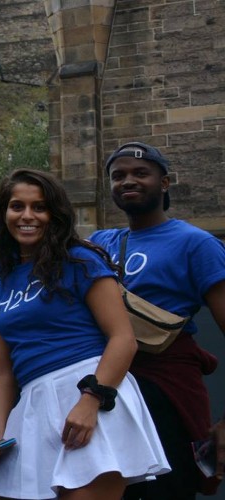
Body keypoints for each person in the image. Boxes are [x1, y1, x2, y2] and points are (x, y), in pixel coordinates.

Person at [0, 169, 169, 498]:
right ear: (3, 213)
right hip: (31, 406)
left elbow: (123, 339)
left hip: (91, 391)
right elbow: (3, 372)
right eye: (17, 206)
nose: (27, 216)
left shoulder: (80, 261)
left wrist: (91, 400)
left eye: (39, 207)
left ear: (55, 213)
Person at [89, 143, 225, 498]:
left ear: (164, 183)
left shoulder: (197, 244)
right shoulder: (100, 242)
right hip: (107, 394)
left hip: (165, 395)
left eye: (140, 173)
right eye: (118, 176)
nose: (127, 181)